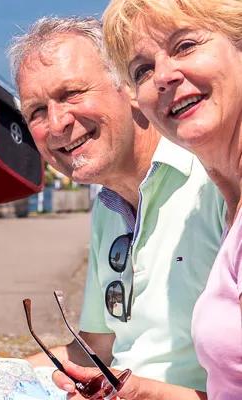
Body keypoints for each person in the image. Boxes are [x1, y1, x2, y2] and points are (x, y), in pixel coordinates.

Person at [0, 15, 227, 395]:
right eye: (36, 111)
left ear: (130, 87)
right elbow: (90, 353)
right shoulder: (109, 205)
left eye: (71, 94)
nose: (55, 124)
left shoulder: (214, 181)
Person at [48, 1, 242, 398]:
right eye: (143, 70)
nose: (164, 77)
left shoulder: (207, 192)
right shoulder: (110, 206)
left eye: (186, 45)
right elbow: (94, 349)